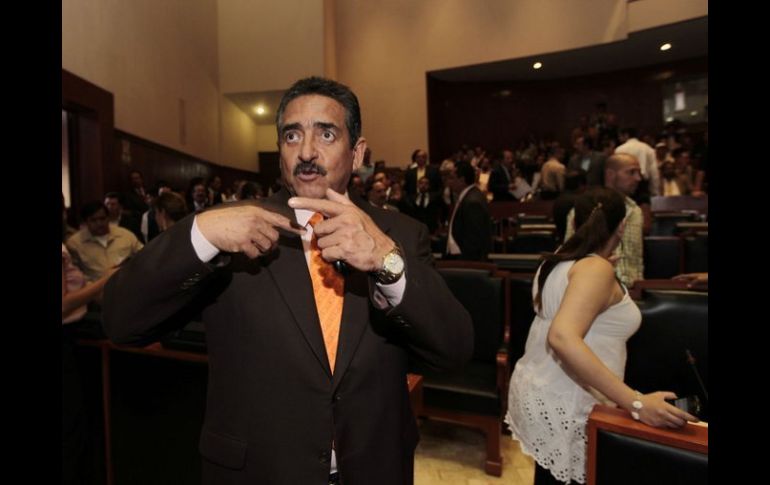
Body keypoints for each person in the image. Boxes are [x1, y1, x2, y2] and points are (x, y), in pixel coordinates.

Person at [102, 76, 473, 485]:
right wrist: (199, 235)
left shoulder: (399, 234)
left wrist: (386, 261)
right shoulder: (231, 230)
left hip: (375, 469)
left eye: (326, 134)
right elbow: (122, 321)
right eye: (292, 135)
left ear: (357, 152)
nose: (307, 152)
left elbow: (453, 351)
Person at [506, 186, 697, 485]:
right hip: (572, 401)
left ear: (575, 221)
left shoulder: (558, 260)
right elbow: (562, 337)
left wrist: (602, 270)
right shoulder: (594, 270)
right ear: (622, 225)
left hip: (541, 389)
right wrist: (635, 402)